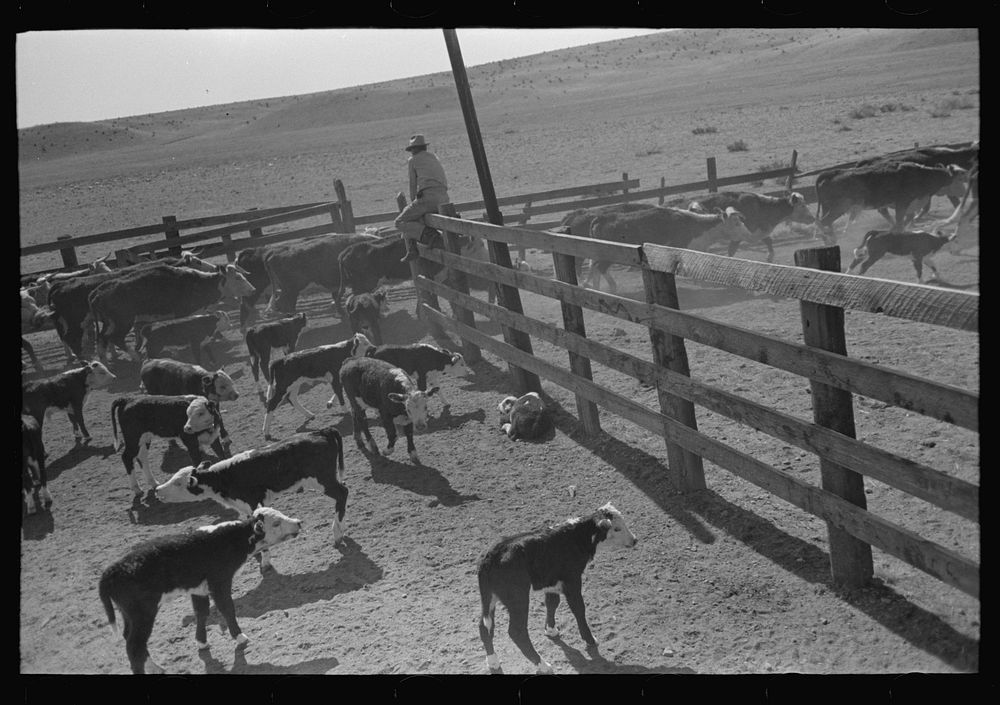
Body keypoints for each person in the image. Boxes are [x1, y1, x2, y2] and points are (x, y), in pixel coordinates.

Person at [397, 134, 450, 263]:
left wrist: (413, 201)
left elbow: (412, 184)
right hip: (444, 197)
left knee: (400, 222)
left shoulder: (413, 160)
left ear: (413, 149)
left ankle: (430, 237)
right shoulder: (433, 157)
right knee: (418, 215)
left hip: (428, 197)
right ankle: (413, 248)